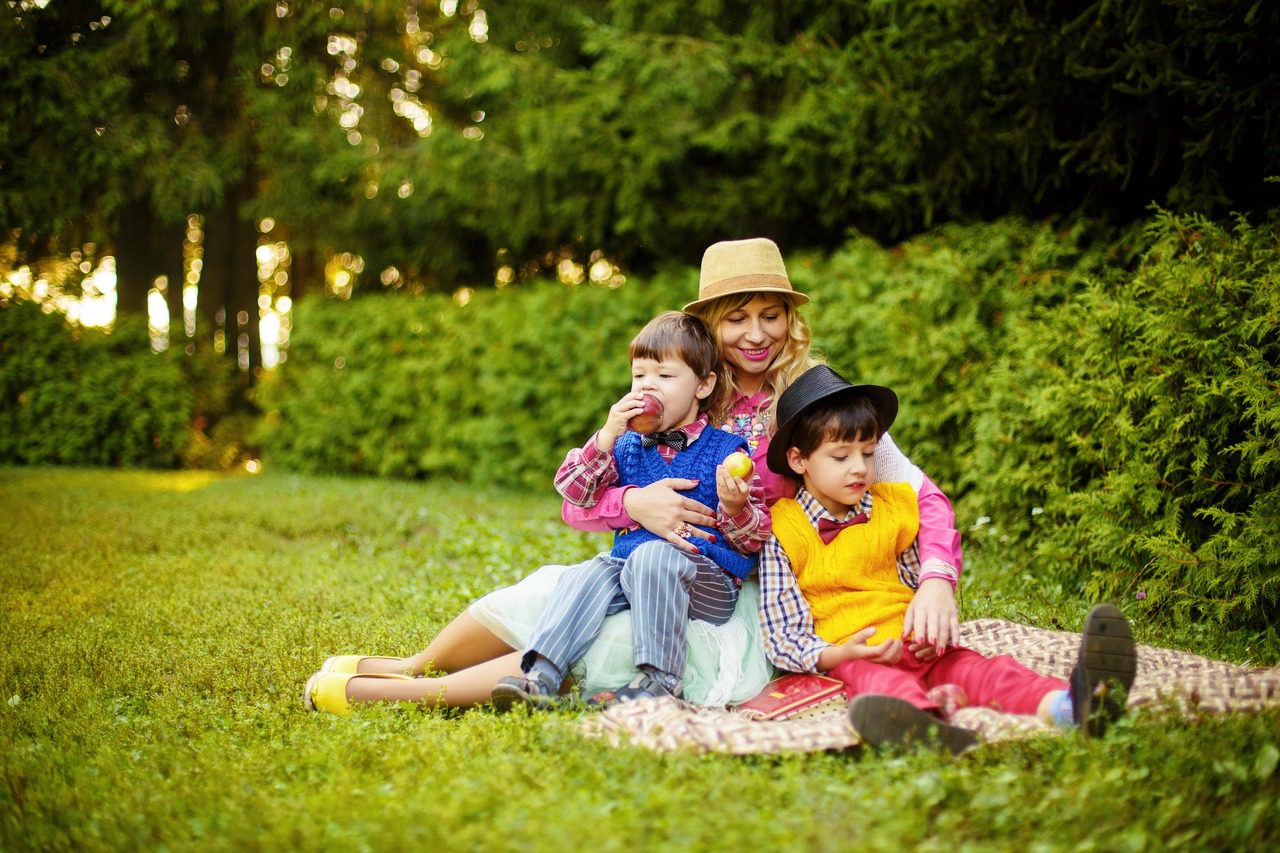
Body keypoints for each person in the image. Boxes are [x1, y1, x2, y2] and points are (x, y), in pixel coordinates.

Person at [303, 238, 963, 714]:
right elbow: (580, 504)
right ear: (706, 325)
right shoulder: (672, 389)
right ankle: (410, 664)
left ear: (791, 319)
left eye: (771, 313)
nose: (756, 333)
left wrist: (936, 579)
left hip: (745, 590)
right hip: (646, 554)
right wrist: (635, 501)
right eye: (735, 316)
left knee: (608, 636)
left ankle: (406, 693)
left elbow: (917, 495)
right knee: (555, 592)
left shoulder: (818, 400)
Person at [758, 364, 1138, 753]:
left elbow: (915, 582)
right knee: (882, 687)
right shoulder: (782, 530)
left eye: (869, 453)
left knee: (987, 671)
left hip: (917, 644)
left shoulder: (894, 507)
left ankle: (1074, 707)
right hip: (858, 653)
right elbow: (784, 636)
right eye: (841, 457)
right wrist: (842, 652)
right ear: (799, 460)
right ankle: (925, 730)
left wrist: (930, 633)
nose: (860, 467)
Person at [488, 311, 769, 709]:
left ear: (703, 385)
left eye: (665, 377)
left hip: (706, 582)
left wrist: (736, 506)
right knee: (590, 570)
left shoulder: (728, 451)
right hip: (632, 569)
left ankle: (660, 680)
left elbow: (754, 539)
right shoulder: (623, 446)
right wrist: (605, 437)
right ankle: (541, 675)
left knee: (654, 556)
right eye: (639, 376)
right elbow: (574, 493)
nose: (648, 386)